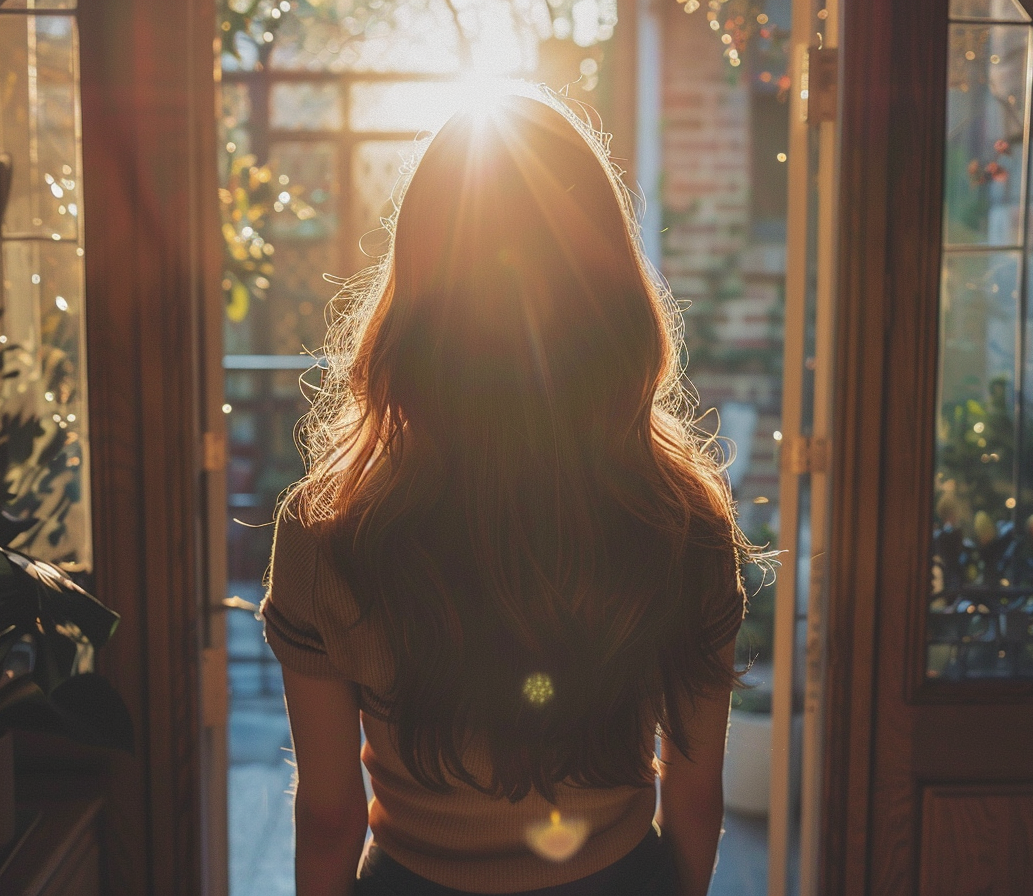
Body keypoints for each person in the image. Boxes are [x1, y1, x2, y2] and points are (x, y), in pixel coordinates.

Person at [261, 85, 750, 896]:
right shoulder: (683, 519)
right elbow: (695, 800)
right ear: (607, 293)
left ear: (417, 293)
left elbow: (329, 819)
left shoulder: (326, 530)